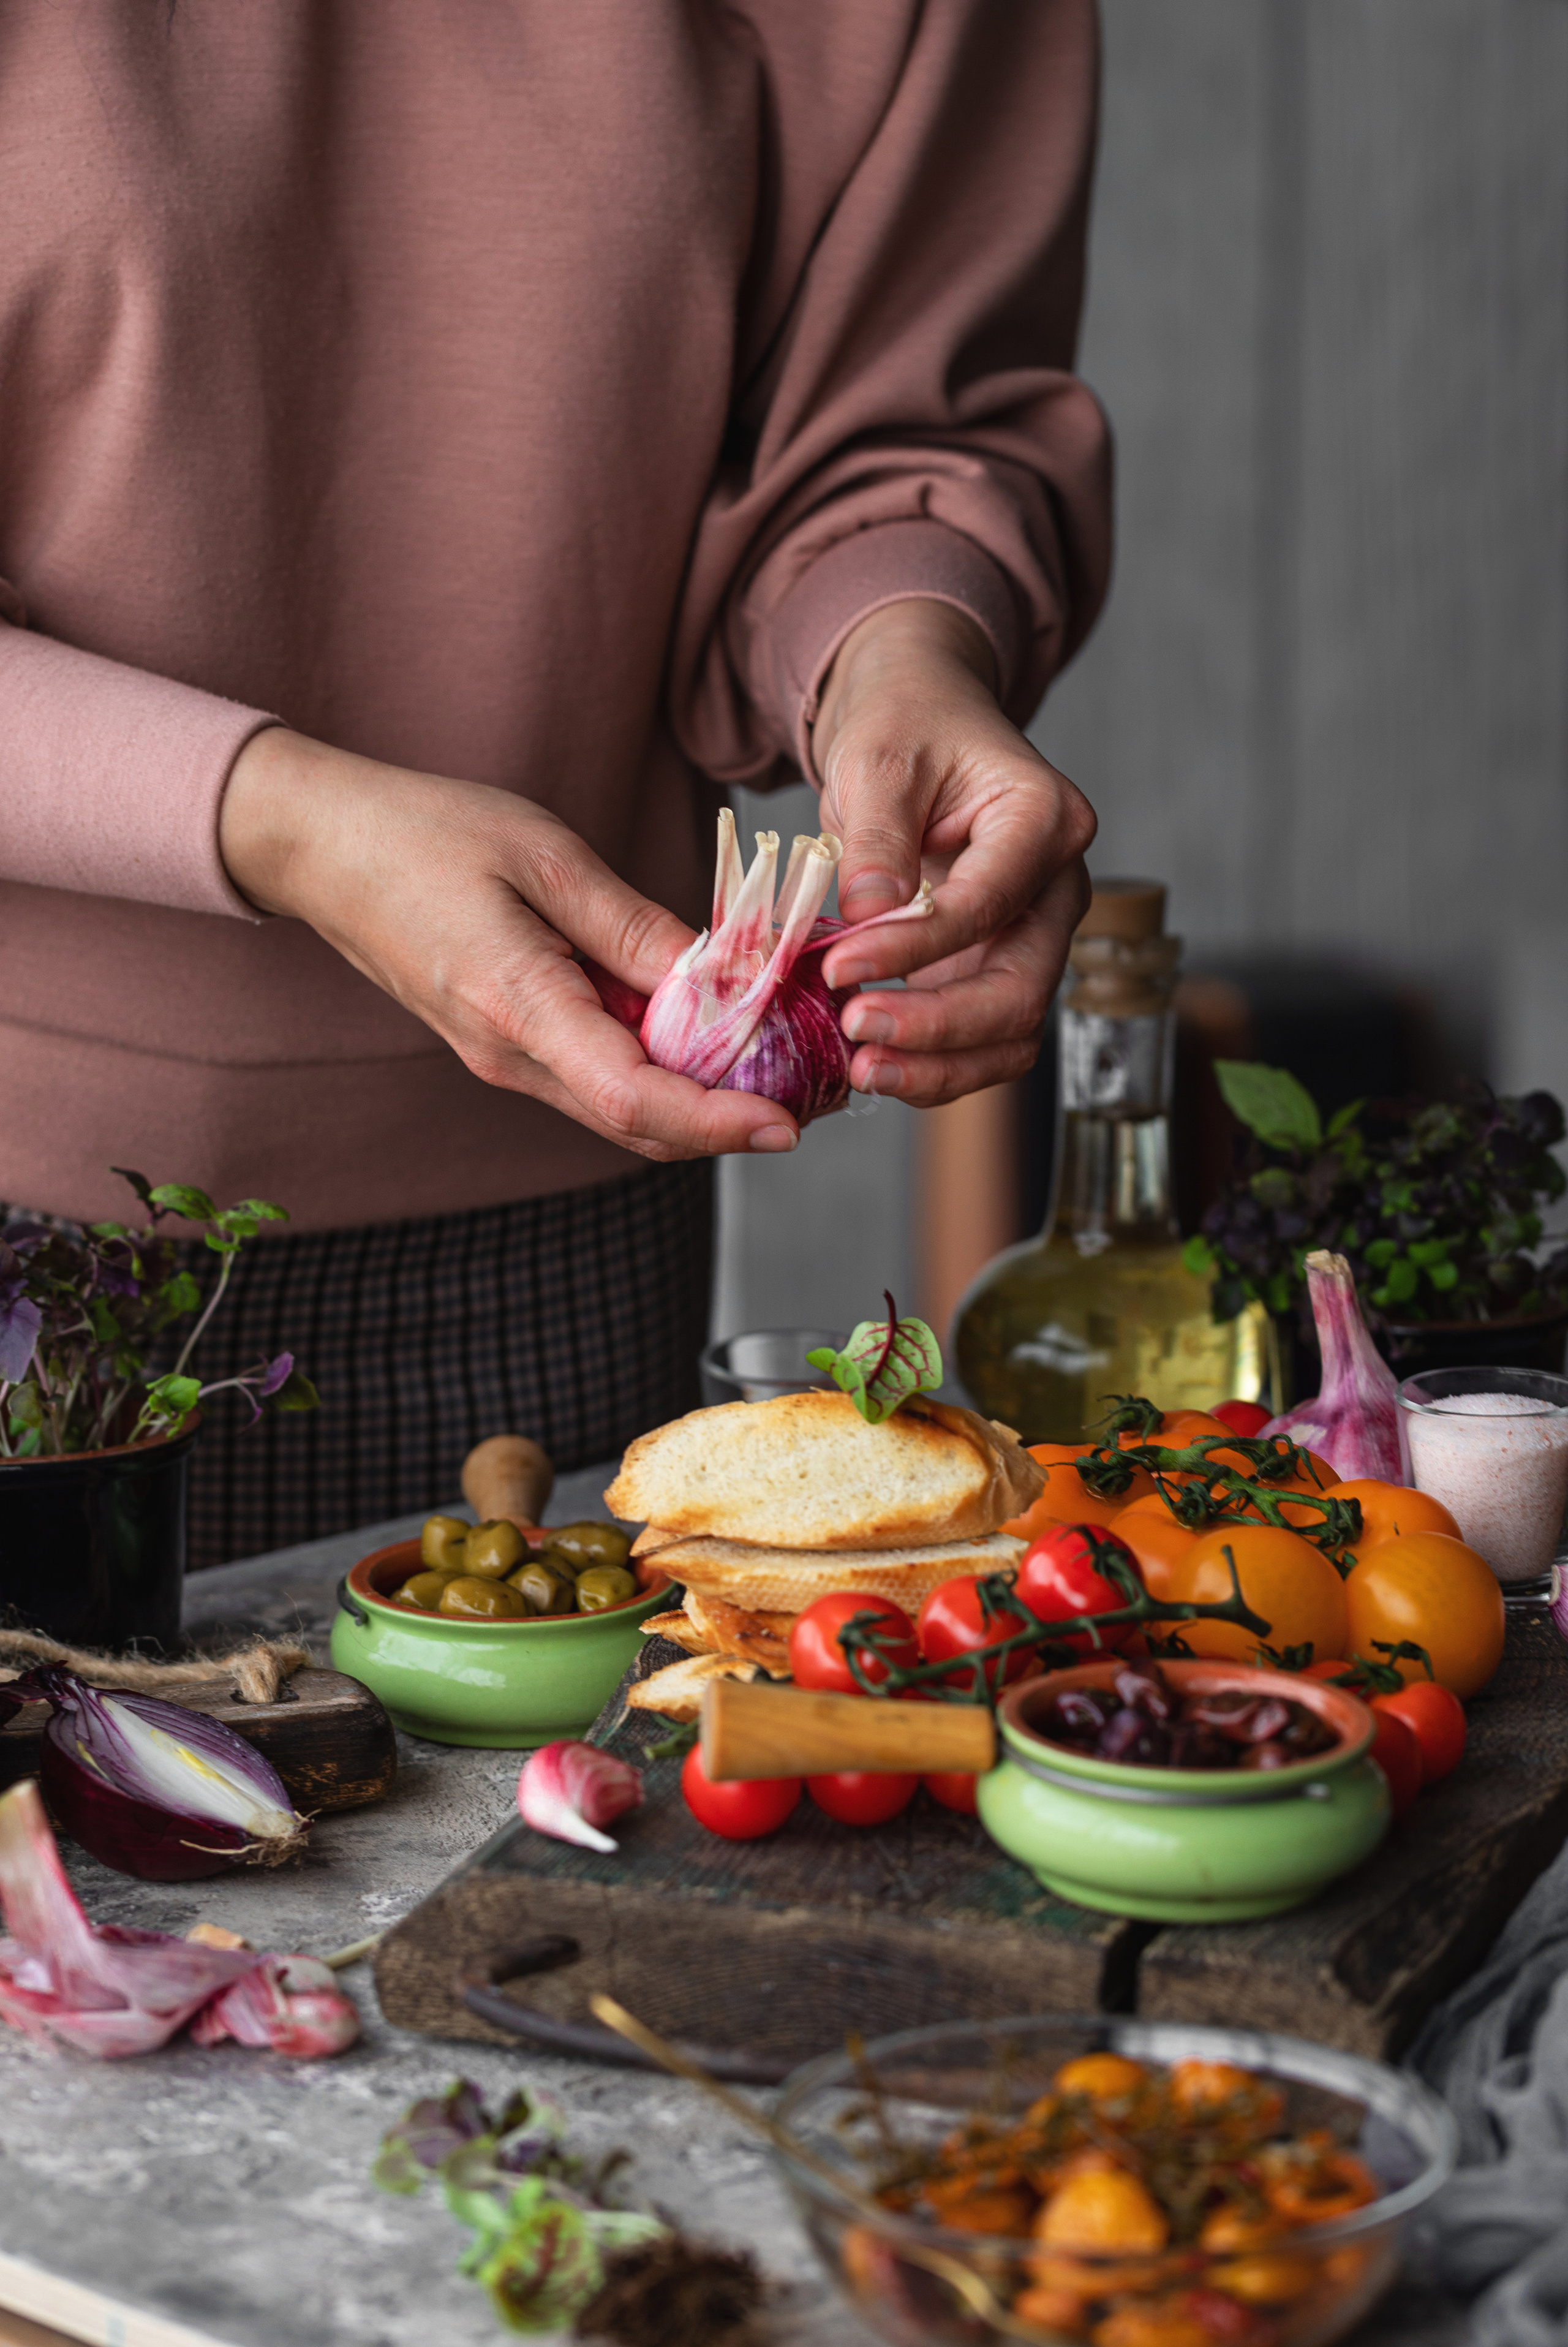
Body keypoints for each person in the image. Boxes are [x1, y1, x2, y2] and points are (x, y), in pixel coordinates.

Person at [0, 1, 1111, 1564]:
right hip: (25, 1226)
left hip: (564, 1233)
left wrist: (897, 655)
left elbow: (897, 421)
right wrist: (285, 820)